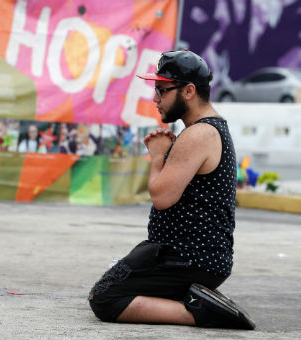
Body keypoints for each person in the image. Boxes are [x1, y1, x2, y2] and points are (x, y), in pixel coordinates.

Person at [88, 50, 255, 330]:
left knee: (106, 297)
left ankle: (202, 312)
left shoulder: (199, 134)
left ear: (188, 91)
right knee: (116, 285)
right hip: (195, 257)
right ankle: (196, 299)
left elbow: (162, 197)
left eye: (163, 90)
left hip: (187, 259)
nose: (155, 98)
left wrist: (157, 157)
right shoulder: (207, 129)